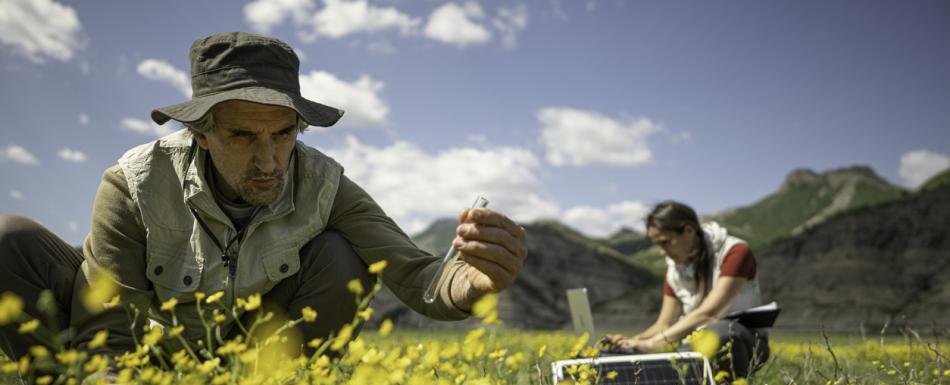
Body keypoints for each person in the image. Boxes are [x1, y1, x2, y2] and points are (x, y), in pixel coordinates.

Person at [0, 32, 527, 360]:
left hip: (254, 363)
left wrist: (473, 282)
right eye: (243, 136)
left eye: (283, 134)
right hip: (150, 359)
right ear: (201, 133)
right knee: (11, 240)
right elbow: (109, 335)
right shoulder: (133, 185)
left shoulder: (324, 183)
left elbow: (418, 275)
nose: (270, 160)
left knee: (341, 254)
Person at [601, 200, 769, 378]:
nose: (662, 252)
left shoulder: (735, 252)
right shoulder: (674, 270)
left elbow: (709, 313)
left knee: (720, 332)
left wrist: (651, 344)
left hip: (745, 340)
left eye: (665, 242)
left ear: (688, 230)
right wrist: (634, 341)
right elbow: (664, 324)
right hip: (696, 340)